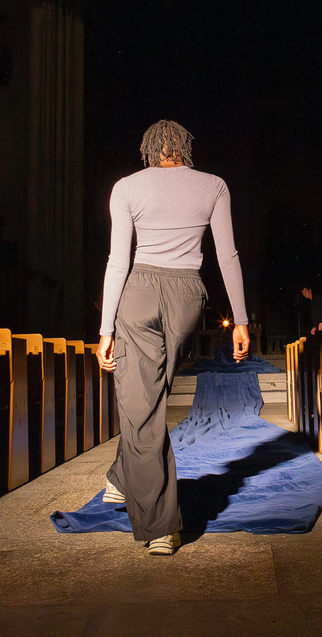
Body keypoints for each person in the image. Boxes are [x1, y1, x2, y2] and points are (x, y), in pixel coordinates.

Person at [97, 119, 249, 555]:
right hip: (188, 294)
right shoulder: (213, 185)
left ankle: (160, 526)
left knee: (141, 404)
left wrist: (105, 328)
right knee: (149, 395)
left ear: (149, 150)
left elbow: (117, 261)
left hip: (139, 291)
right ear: (184, 148)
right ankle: (121, 478)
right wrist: (239, 318)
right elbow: (227, 255)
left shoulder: (127, 187)